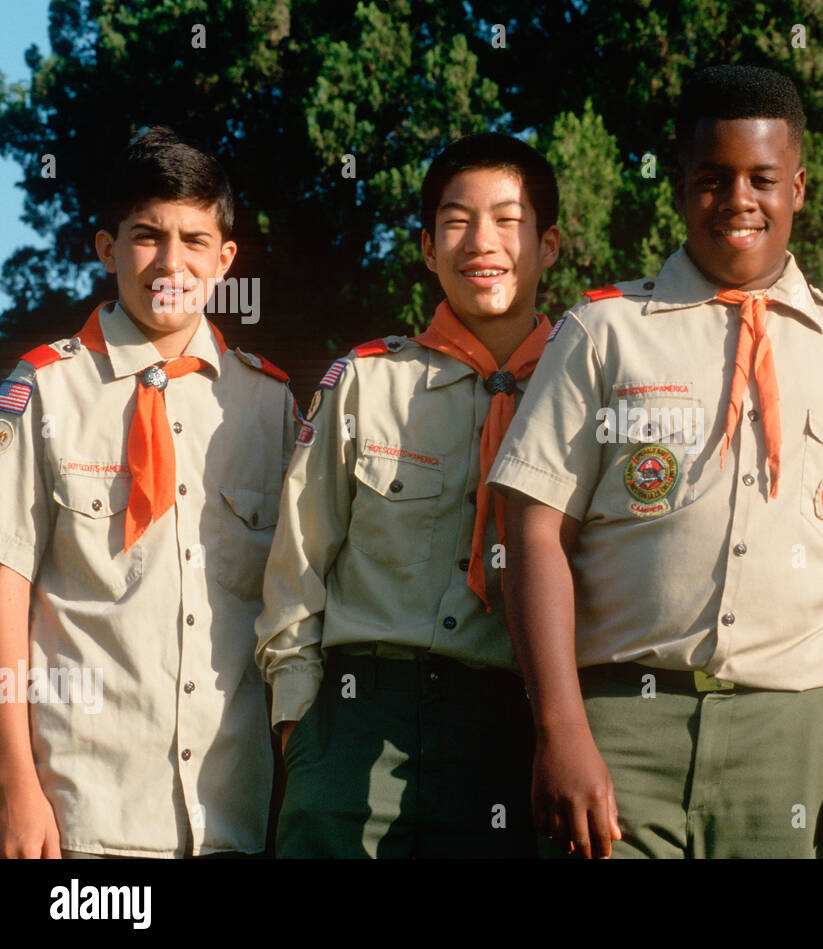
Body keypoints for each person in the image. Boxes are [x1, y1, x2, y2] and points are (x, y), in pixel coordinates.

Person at [488, 64, 823, 859]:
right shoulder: (602, 333)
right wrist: (562, 728)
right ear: (679, 186)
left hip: (799, 737)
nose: (739, 200)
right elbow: (534, 532)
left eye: (763, 178)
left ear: (800, 187)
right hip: (620, 727)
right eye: (712, 179)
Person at [256, 132, 559, 857]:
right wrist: (301, 729)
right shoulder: (366, 382)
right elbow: (297, 565)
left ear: (549, 245)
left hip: (513, 725)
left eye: (508, 220)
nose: (481, 241)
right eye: (456, 220)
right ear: (427, 247)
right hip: (355, 719)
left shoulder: (582, 387)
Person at [0, 127, 296, 858]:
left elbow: (295, 605)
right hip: (81, 814)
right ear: (106, 249)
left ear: (226, 259)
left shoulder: (269, 406)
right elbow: (4, 599)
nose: (172, 261)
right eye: (146, 236)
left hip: (235, 816)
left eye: (196, 239)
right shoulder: (42, 389)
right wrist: (15, 787)